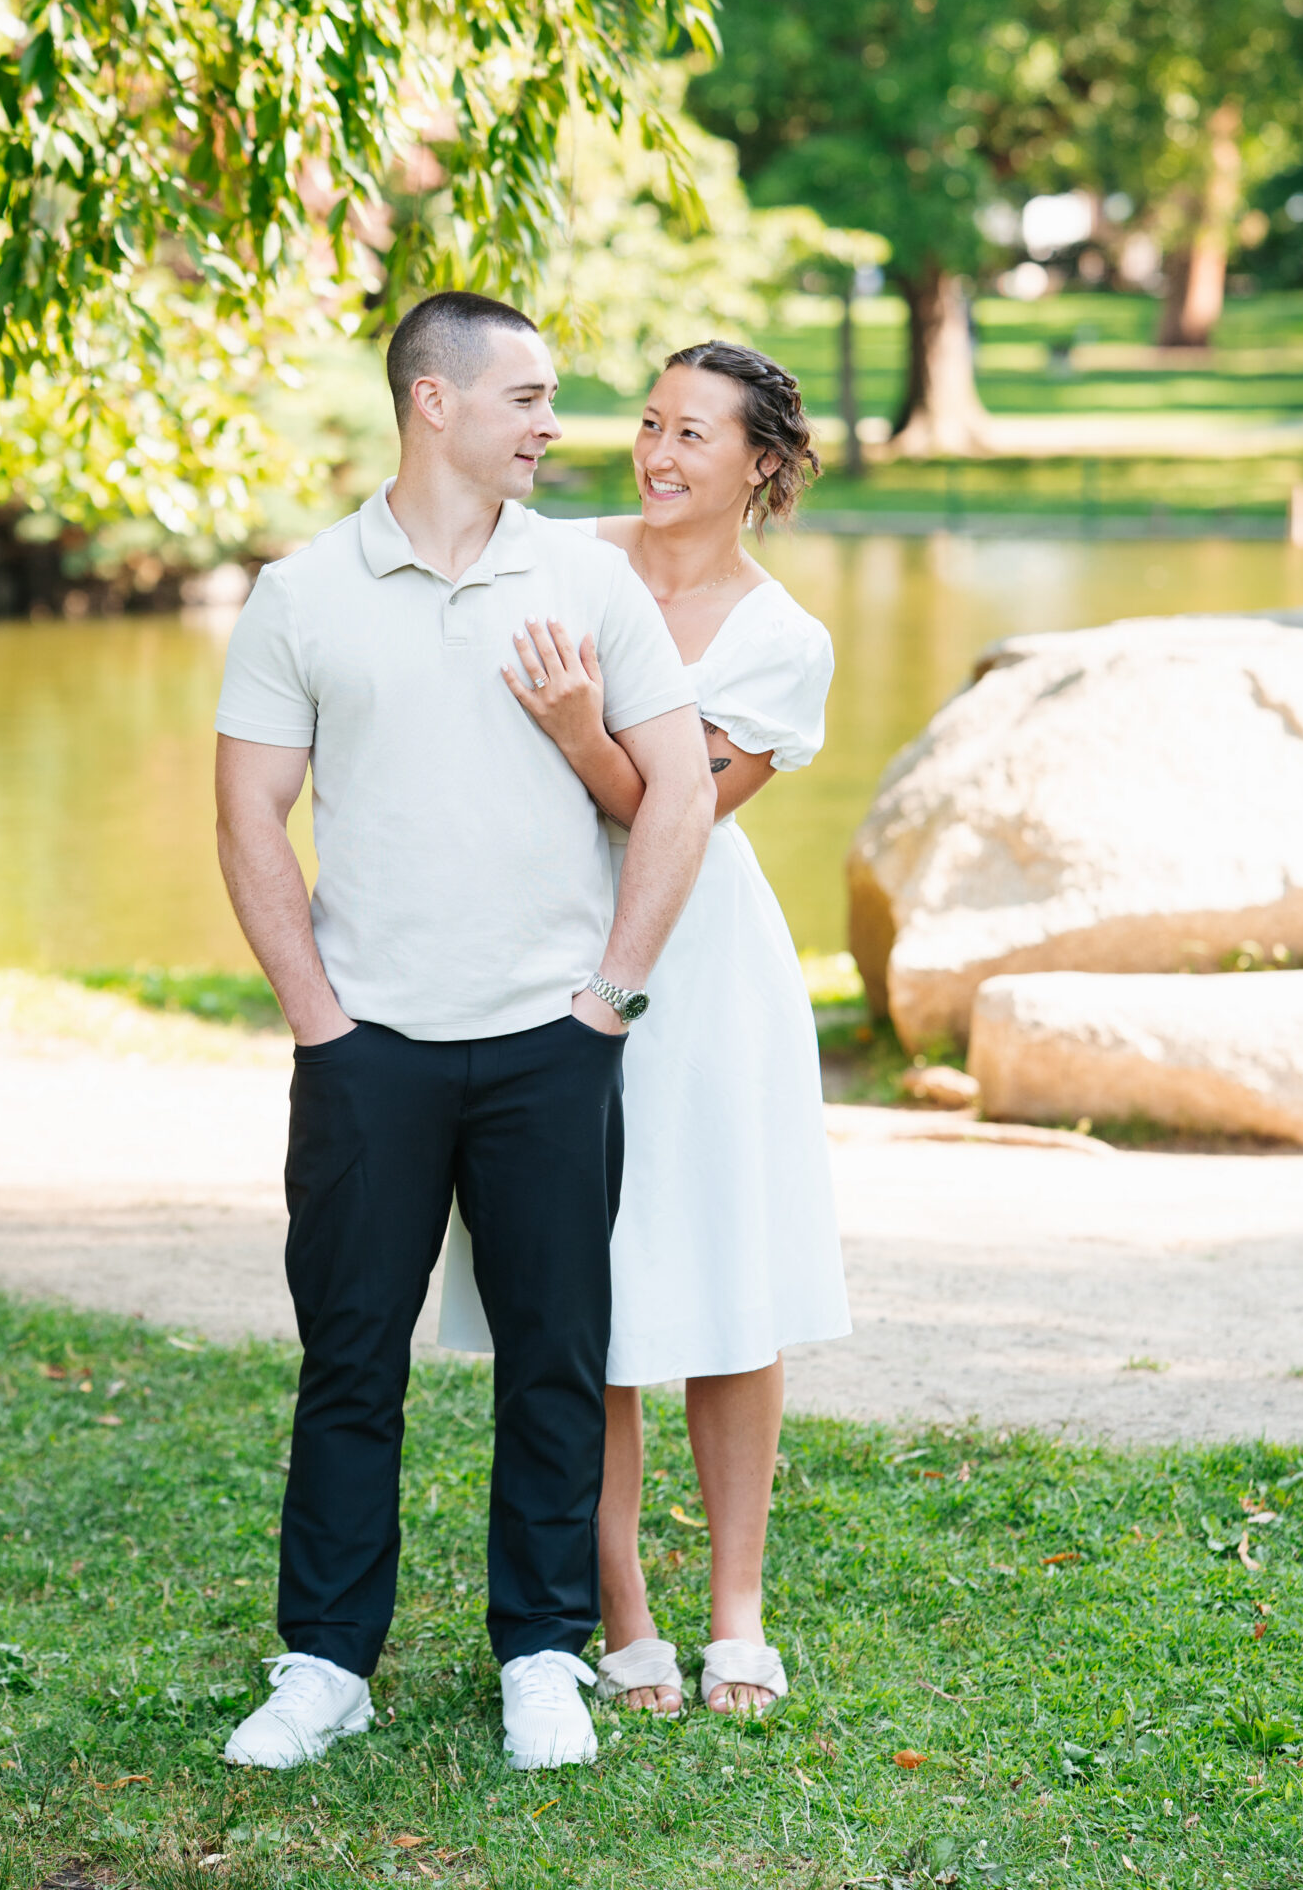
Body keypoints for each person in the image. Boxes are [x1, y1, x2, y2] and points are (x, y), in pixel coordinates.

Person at [213, 291, 715, 1775]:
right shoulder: (303, 592)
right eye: (528, 398)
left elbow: (676, 793)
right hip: (369, 1049)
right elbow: (251, 811)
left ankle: (541, 1658)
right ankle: (325, 1664)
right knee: (350, 1354)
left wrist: (608, 998)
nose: (557, 426)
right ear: (434, 404)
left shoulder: (589, 580)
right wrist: (319, 1018)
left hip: (550, 1044)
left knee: (555, 1353)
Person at [440, 339, 849, 1719]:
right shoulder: (558, 560)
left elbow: (661, 808)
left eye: (696, 436)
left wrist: (571, 723)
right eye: (652, 424)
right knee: (581, 1287)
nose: (660, 456)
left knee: (730, 1287)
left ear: (762, 465)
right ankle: (623, 1618)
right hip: (542, 951)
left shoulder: (785, 642)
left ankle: (738, 1616)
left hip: (703, 969)